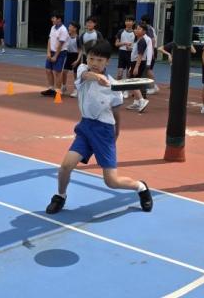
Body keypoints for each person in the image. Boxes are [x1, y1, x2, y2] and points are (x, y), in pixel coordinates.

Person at [45, 40, 153, 214]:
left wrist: (117, 131)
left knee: (111, 181)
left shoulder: (113, 86)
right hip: (85, 127)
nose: (94, 63)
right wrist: (97, 77)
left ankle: (141, 187)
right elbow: (86, 75)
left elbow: (116, 111)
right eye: (91, 58)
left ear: (107, 62)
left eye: (100, 60)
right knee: (65, 166)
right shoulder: (82, 70)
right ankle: (60, 196)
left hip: (104, 131)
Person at [40, 12, 69, 97]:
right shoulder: (53, 27)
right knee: (48, 70)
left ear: (59, 19)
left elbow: (61, 44)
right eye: (52, 18)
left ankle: (58, 91)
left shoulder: (63, 30)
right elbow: (50, 39)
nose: (52, 19)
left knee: (57, 72)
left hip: (60, 53)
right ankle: (51, 89)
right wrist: (48, 52)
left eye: (54, 18)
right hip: (51, 51)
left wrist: (56, 56)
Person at [126, 23, 151, 113]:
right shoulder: (138, 40)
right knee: (135, 82)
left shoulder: (142, 41)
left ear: (144, 32)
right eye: (136, 28)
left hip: (138, 63)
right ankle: (136, 102)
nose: (136, 30)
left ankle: (141, 100)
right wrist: (131, 67)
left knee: (133, 83)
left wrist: (136, 67)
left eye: (139, 29)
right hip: (135, 63)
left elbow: (140, 55)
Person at [114, 15, 135, 99]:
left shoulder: (135, 32)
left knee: (128, 74)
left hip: (131, 54)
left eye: (130, 21)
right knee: (119, 74)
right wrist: (124, 43)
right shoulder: (120, 31)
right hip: (122, 53)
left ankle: (126, 90)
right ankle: (118, 90)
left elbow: (137, 45)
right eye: (127, 21)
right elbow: (116, 44)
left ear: (133, 22)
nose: (128, 22)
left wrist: (131, 48)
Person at [140, 15, 159, 95]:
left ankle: (154, 87)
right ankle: (151, 86)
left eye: (142, 20)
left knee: (148, 69)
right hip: (150, 50)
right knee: (146, 69)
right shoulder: (150, 28)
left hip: (150, 51)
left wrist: (152, 51)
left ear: (144, 21)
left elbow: (153, 40)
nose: (141, 22)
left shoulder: (148, 28)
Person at [62, 21, 82, 97]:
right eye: (69, 26)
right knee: (64, 72)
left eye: (70, 26)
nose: (69, 28)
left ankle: (76, 90)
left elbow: (80, 51)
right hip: (69, 55)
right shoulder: (67, 36)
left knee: (75, 74)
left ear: (75, 29)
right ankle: (63, 87)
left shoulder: (78, 38)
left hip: (76, 56)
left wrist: (77, 61)